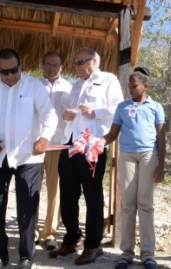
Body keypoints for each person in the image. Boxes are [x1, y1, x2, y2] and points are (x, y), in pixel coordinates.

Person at [0, 48, 57, 269]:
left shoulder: (34, 87)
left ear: (21, 66)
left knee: (27, 208)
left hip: (28, 157)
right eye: (4, 71)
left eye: (13, 70)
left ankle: (26, 256)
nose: (9, 75)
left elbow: (49, 115)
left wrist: (45, 138)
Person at [49, 47, 123, 265]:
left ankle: (93, 244)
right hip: (71, 143)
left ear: (95, 61)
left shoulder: (109, 80)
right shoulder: (76, 85)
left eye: (81, 62)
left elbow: (118, 107)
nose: (78, 67)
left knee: (92, 194)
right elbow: (72, 114)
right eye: (75, 63)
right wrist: (67, 115)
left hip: (93, 145)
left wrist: (96, 112)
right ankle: (72, 238)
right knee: (68, 193)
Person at [99, 67, 165, 269]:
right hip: (126, 155)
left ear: (145, 86)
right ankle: (126, 253)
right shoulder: (122, 107)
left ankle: (148, 254)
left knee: (145, 204)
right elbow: (112, 134)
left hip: (148, 155)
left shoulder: (156, 107)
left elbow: (161, 136)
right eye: (128, 86)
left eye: (134, 86)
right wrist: (98, 142)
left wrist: (161, 165)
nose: (130, 89)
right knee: (127, 204)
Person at [34, 51, 72, 250]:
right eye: (47, 64)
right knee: (31, 189)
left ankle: (50, 233)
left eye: (55, 64)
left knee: (54, 190)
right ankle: (31, 230)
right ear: (42, 65)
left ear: (62, 67)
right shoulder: (33, 86)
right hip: (35, 144)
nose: (51, 68)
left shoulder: (69, 88)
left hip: (58, 144)